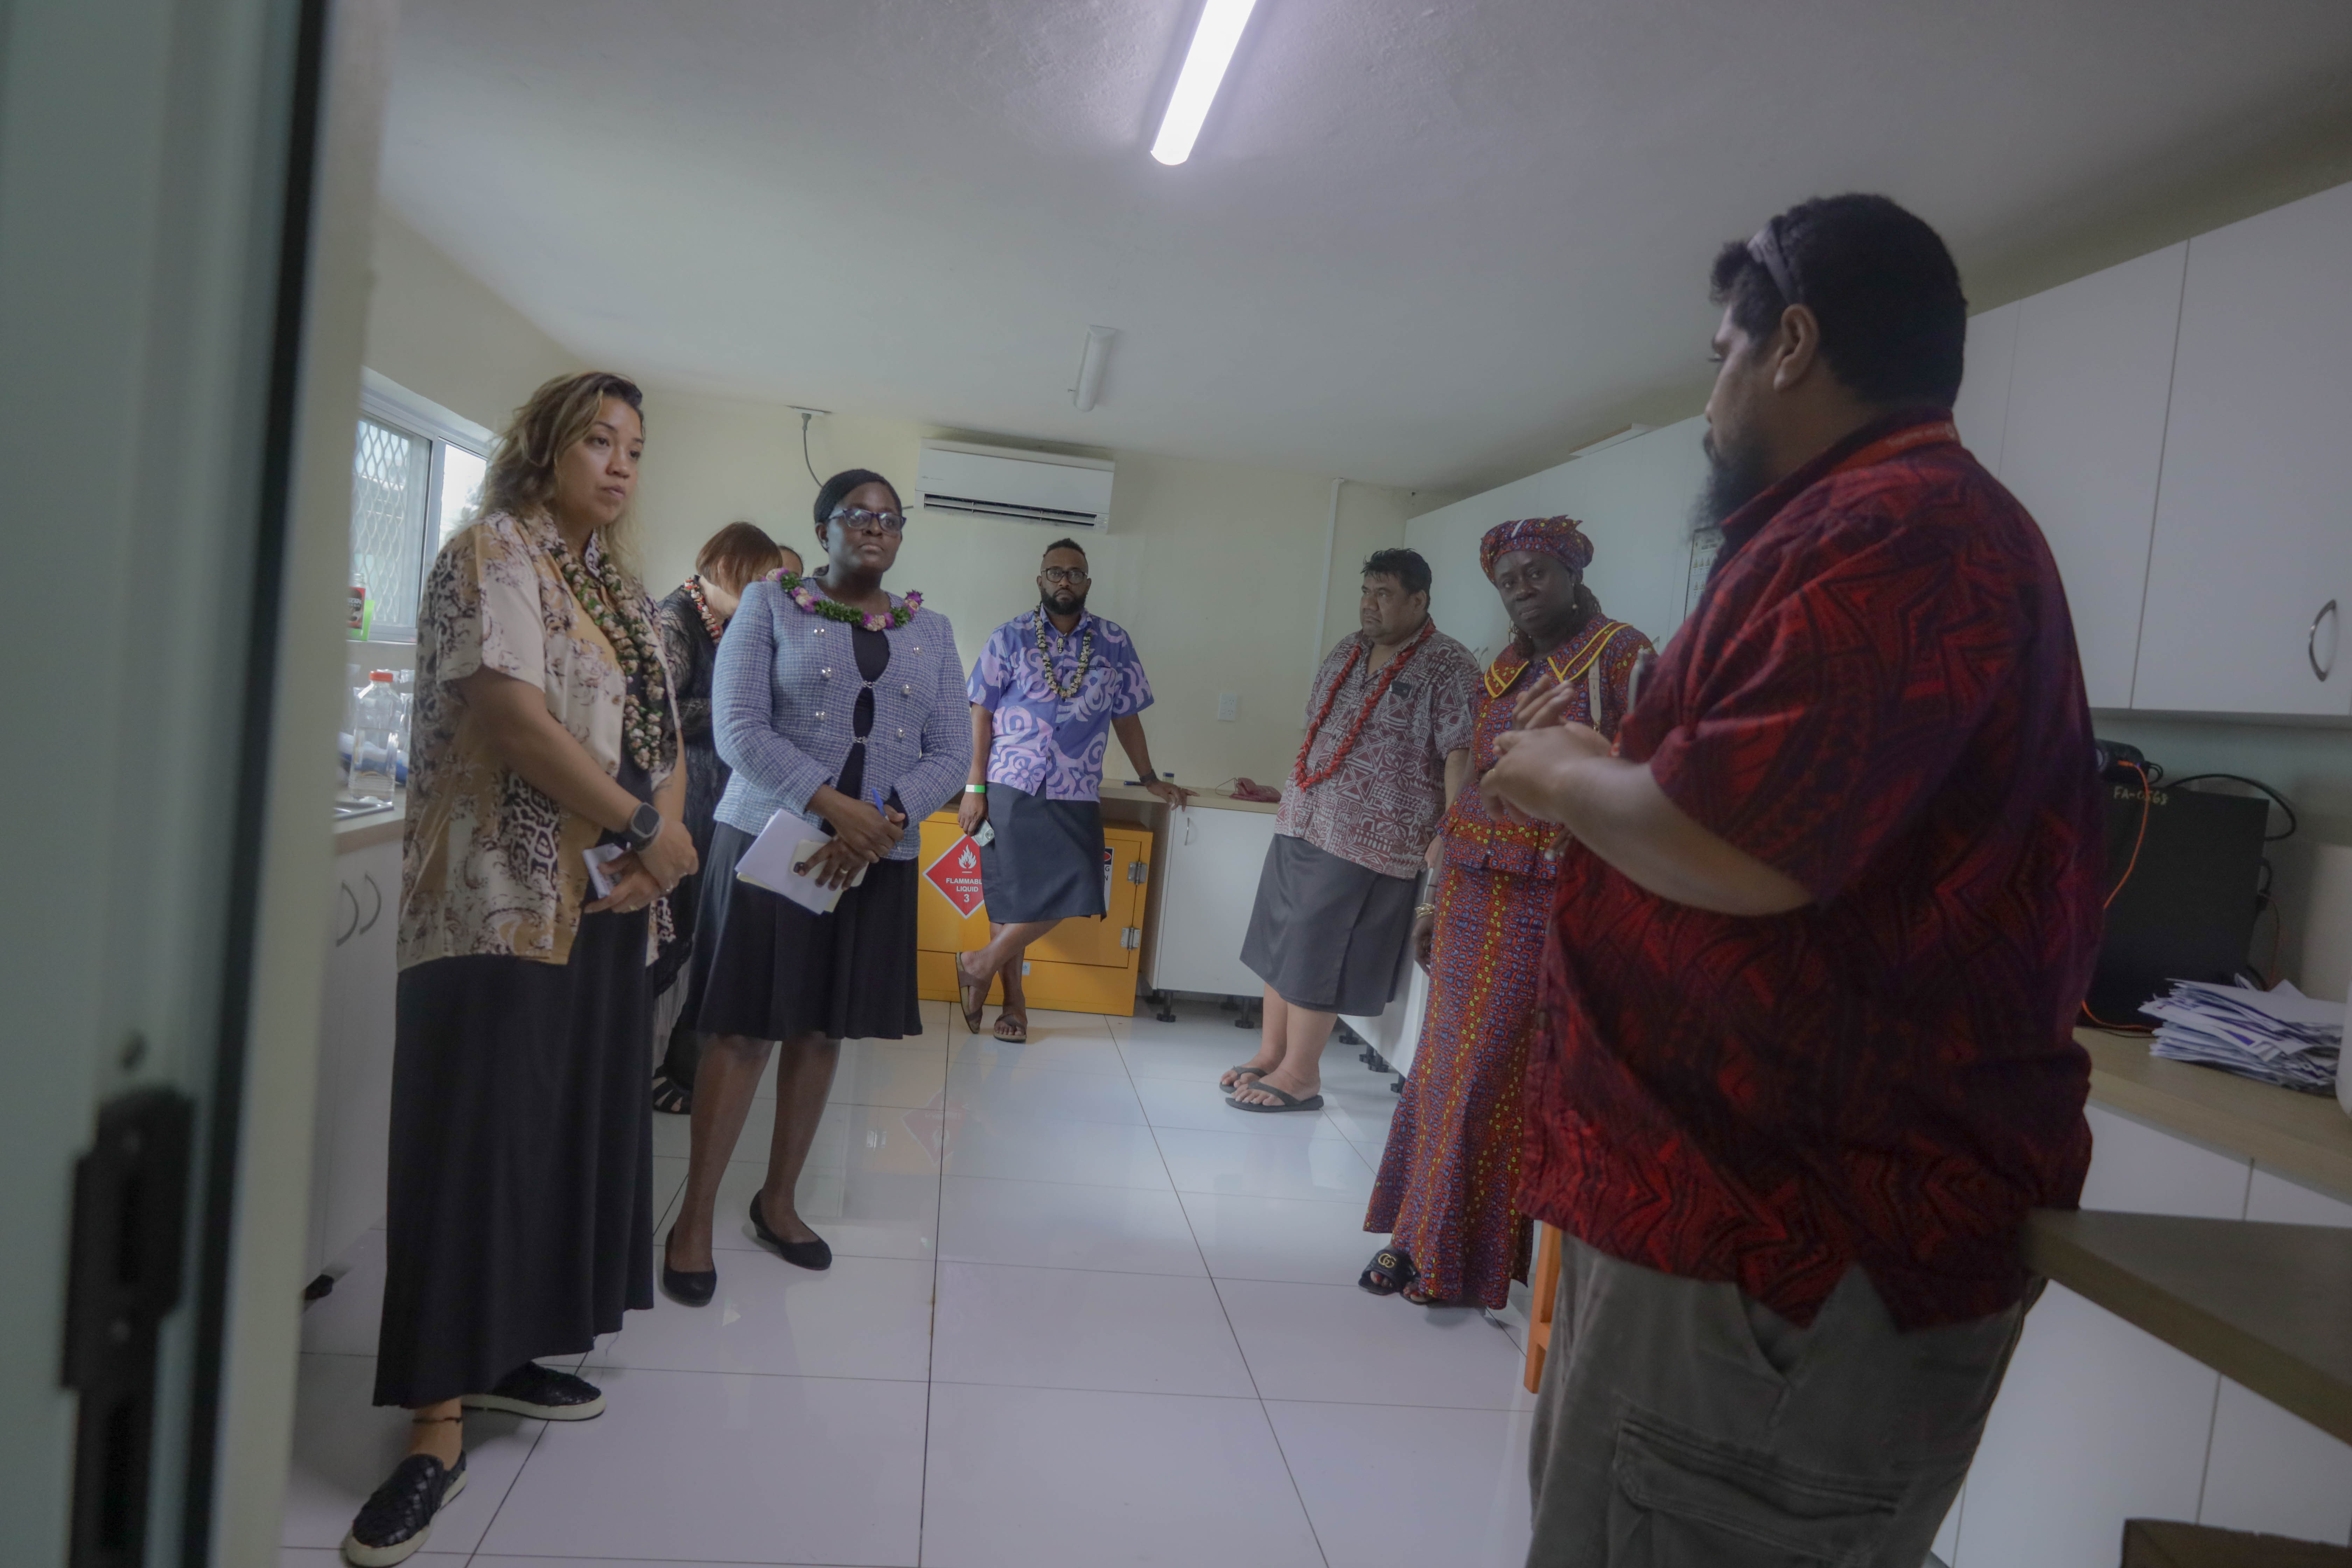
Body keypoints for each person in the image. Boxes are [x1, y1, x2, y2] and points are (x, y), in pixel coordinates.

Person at [1483, 195, 2105, 1566]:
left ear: (1793, 344)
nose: (1710, 401)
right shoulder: (1863, 522)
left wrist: (1565, 776)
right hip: (1730, 1230)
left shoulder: (1899, 527)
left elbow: (1743, 846)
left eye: (1723, 354)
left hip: (1786, 1257)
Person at [347, 371, 693, 1566]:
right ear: (545, 447)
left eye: (635, 447)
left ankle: (501, 1355)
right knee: (473, 1143)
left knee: (556, 1136)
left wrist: (659, 838)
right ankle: (433, 1428)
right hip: (496, 901)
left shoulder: (622, 593)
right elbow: (510, 716)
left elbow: (664, 741)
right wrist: (646, 829)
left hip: (603, 907)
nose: (621, 462)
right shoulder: (492, 552)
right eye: (599, 439)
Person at [660, 468, 969, 1307]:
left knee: (822, 1031)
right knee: (741, 1032)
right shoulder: (769, 605)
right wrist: (833, 807)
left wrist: (884, 822)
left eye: (890, 518)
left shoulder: (933, 631)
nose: (875, 528)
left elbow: (952, 751)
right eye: (857, 515)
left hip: (875, 860)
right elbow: (739, 728)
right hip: (771, 842)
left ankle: (779, 1201)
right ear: (824, 527)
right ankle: (692, 1219)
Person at [1361, 517, 1652, 1308]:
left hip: (1546, 894)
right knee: (1441, 1066)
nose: (1522, 590)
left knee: (1490, 1072)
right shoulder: (1504, 667)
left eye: (1537, 574)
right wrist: (1433, 898)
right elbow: (1477, 786)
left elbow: (1655, 776)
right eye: (1507, 580)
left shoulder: (1621, 655)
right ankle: (1412, 1237)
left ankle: (1452, 1257)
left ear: (1572, 573)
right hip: (1470, 886)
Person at [1227, 548, 1479, 1112]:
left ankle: (1301, 1074)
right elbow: (1317, 727)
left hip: (1371, 837)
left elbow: (1462, 754)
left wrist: (1452, 829)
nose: (1369, 605)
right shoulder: (1348, 649)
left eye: (1384, 595)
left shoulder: (1450, 665)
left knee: (1317, 948)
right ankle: (1271, 1053)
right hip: (1304, 816)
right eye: (1366, 592)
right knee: (1278, 937)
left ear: (1419, 599)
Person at [954, 537, 1187, 1041]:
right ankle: (1013, 1006)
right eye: (1055, 572)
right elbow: (981, 713)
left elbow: (1127, 716)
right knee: (1011, 900)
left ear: (1087, 583)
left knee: (1082, 885)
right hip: (1010, 782)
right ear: (1040, 580)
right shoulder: (1009, 637)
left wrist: (1149, 777)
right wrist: (974, 786)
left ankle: (979, 964)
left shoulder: (1114, 642)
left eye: (1075, 573)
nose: (1065, 580)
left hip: (1076, 786)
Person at [648, 522, 797, 1114]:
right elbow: (657, 712)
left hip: (718, 798)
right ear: (730, 570)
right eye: (760, 579)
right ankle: (639, 1068)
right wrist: (739, 711)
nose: (767, 593)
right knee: (672, 937)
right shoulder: (676, 619)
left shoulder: (728, 621)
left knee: (703, 940)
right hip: (680, 801)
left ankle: (679, 1070)